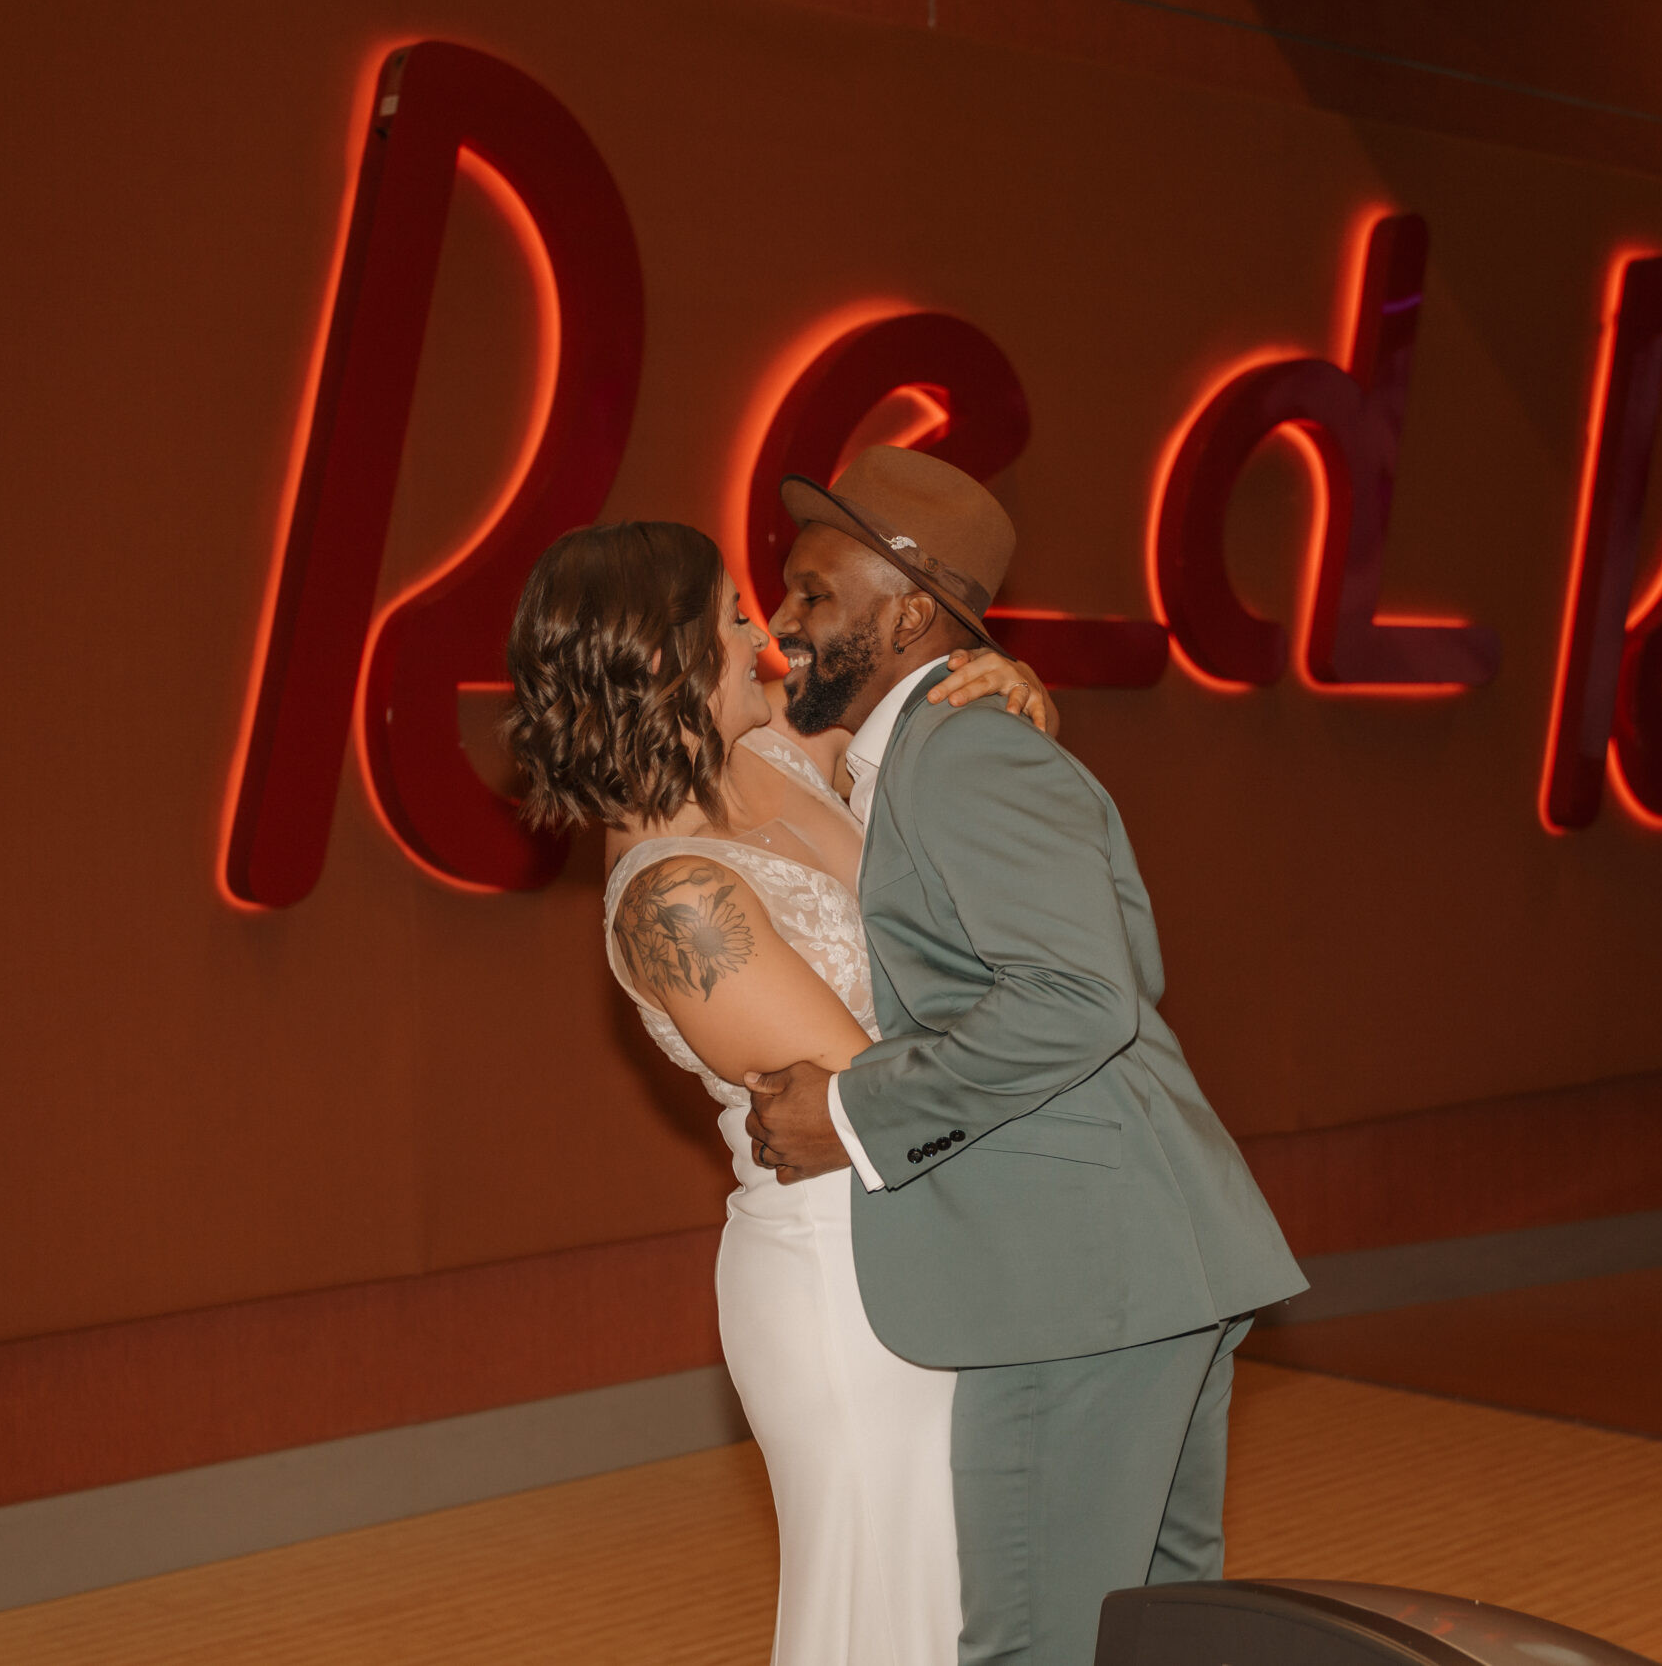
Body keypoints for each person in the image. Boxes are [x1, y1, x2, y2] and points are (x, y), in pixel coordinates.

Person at [744, 445, 1308, 1666]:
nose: (785, 623)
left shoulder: (967, 755)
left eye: (811, 594)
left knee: (1043, 1647)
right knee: (1150, 1638)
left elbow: (1080, 998)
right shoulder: (940, 744)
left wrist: (851, 1112)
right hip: (1135, 1265)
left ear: (905, 613)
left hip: (1077, 1278)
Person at [500, 517, 1054, 1666]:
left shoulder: (773, 758)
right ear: (669, 662)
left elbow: (939, 759)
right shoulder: (673, 903)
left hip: (942, 1239)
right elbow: (888, 1089)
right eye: (735, 620)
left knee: (980, 1602)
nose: (769, 640)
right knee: (896, 1611)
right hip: (848, 1287)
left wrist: (1004, 694)